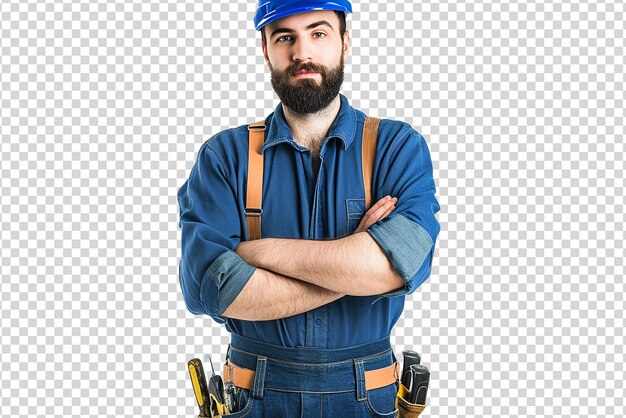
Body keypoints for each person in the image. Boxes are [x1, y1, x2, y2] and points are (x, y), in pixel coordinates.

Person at [177, 1, 440, 416]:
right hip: (253, 398)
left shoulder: (397, 148)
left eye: (318, 33)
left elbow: (399, 265)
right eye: (285, 37)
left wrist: (257, 253)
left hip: (369, 398)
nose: (303, 52)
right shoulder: (224, 157)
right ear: (266, 49)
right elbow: (214, 290)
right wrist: (355, 261)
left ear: (345, 42)